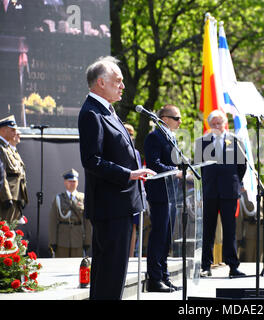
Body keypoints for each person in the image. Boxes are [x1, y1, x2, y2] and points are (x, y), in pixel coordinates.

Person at [78, 56, 155, 300]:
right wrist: (129, 174)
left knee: (112, 276)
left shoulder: (107, 110)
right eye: (117, 81)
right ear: (101, 82)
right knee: (110, 277)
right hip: (110, 207)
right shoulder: (92, 113)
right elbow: (91, 160)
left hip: (120, 205)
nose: (122, 86)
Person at [194, 110, 247, 278]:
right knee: (208, 229)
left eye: (219, 123)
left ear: (225, 124)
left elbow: (242, 165)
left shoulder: (235, 141)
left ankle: (233, 266)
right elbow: (198, 167)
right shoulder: (201, 142)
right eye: (213, 124)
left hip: (229, 191)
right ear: (209, 125)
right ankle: (206, 266)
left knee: (230, 230)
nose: (217, 126)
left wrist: (236, 183)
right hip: (210, 191)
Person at [143, 104, 183, 292]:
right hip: (159, 193)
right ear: (165, 118)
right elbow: (154, 163)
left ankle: (164, 277)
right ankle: (154, 278)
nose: (180, 121)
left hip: (171, 193)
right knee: (159, 235)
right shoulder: (154, 136)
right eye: (176, 118)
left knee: (167, 238)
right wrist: (175, 171)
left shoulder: (171, 137)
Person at [48, 169, 92, 258]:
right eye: (69, 181)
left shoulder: (83, 198)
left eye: (74, 181)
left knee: (76, 267)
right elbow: (52, 222)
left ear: (77, 183)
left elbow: (87, 222)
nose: (72, 183)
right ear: (65, 182)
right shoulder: (58, 199)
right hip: (62, 241)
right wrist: (53, 242)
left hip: (78, 240)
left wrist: (87, 241)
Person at [0, 115, 28, 223]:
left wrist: (22, 196)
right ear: (2, 130)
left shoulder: (8, 148)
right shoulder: (1, 148)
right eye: (12, 130)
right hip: (6, 198)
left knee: (10, 231)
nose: (15, 132)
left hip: (15, 196)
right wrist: (6, 197)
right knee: (4, 230)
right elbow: (1, 175)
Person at [123, 123, 141, 258]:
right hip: (122, 192)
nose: (129, 136)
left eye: (131, 134)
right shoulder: (117, 150)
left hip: (135, 194)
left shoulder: (137, 153)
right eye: (126, 133)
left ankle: (130, 256)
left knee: (133, 227)